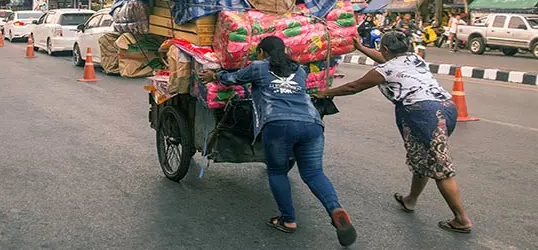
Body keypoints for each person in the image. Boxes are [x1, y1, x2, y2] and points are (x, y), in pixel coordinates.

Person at [198, 37, 356, 247]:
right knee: (314, 173)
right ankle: (335, 208)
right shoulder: (299, 70)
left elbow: (233, 78)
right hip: (312, 123)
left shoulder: (258, 67)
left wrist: (214, 75)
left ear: (262, 52)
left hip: (278, 124)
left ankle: (288, 219)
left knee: (277, 172)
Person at [318, 32, 473, 234]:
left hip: (426, 115)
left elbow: (354, 87)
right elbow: (385, 59)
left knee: (440, 167)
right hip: (447, 108)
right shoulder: (413, 58)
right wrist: (361, 48)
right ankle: (410, 200)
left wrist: (325, 92)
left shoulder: (385, 70)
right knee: (422, 157)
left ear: (385, 49)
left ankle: (461, 219)